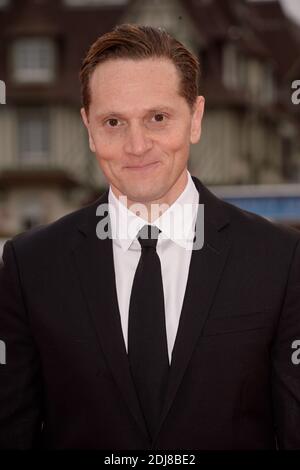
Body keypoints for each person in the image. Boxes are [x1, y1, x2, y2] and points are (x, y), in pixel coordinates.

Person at [0, 23, 300, 450]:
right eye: (113, 122)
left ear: (195, 118)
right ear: (88, 126)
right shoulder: (31, 267)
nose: (136, 145)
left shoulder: (280, 260)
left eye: (157, 118)